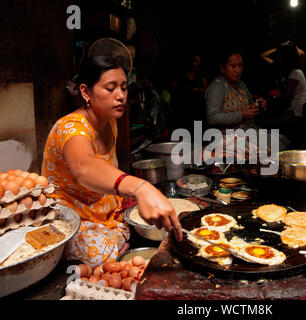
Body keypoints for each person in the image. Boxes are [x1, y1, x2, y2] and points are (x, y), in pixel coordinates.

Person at [41, 54, 182, 267]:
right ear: (86, 92)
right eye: (110, 88)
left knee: (156, 214)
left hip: (103, 205)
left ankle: (117, 235)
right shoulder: (70, 128)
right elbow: (85, 167)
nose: (121, 96)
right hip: (72, 213)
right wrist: (141, 187)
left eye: (124, 88)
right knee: (98, 252)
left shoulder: (110, 122)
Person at [259, 41, 306, 147]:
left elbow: (285, 98)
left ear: (286, 58)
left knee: (263, 125)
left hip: (294, 114)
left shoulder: (296, 73)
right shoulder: (288, 72)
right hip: (289, 112)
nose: (279, 59)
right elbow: (262, 56)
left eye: (281, 56)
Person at [205, 49, 266, 130]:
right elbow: (212, 118)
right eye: (233, 66)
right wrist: (241, 115)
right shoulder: (217, 86)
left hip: (248, 131)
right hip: (227, 136)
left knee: (278, 140)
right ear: (222, 68)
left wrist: (257, 105)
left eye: (240, 66)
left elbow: (249, 107)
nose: (238, 70)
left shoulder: (241, 84)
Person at [171, 53, 208, 133]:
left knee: (198, 139)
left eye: (199, 61)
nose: (198, 64)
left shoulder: (201, 75)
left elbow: (206, 90)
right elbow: (173, 90)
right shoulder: (180, 75)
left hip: (198, 113)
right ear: (189, 62)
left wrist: (195, 90)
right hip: (183, 114)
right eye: (195, 61)